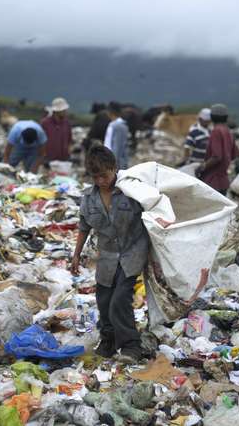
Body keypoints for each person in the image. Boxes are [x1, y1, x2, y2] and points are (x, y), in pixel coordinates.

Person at [70, 146, 158, 363]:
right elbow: (84, 227)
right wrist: (76, 254)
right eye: (96, 177)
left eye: (105, 175)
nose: (101, 180)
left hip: (132, 252)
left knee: (120, 300)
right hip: (107, 257)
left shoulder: (132, 190)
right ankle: (108, 342)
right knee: (104, 300)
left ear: (114, 168)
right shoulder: (89, 198)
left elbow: (154, 213)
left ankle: (131, 347)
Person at [196, 103, 237, 195]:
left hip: (213, 181)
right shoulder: (228, 131)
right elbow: (233, 155)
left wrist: (202, 167)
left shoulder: (216, 131)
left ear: (212, 117)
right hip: (224, 181)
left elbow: (217, 156)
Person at [40, 97, 72, 163]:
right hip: (48, 159)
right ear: (57, 111)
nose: (65, 112)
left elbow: (69, 140)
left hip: (64, 159)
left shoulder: (67, 123)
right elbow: (40, 141)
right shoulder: (45, 123)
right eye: (63, 110)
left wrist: (68, 152)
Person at [104, 102, 130, 169]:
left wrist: (113, 163)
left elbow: (116, 147)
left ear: (110, 112)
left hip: (116, 163)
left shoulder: (117, 126)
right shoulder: (118, 125)